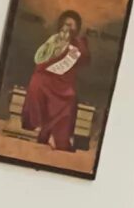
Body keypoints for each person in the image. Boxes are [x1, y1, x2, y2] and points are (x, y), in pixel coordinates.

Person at [22, 8, 86, 147]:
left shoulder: (78, 44)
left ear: (76, 27)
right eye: (65, 24)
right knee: (37, 82)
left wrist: (73, 51)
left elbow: (82, 61)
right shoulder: (53, 40)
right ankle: (36, 124)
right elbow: (40, 58)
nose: (67, 28)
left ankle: (54, 134)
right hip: (48, 76)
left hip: (64, 81)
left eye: (71, 25)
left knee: (69, 96)